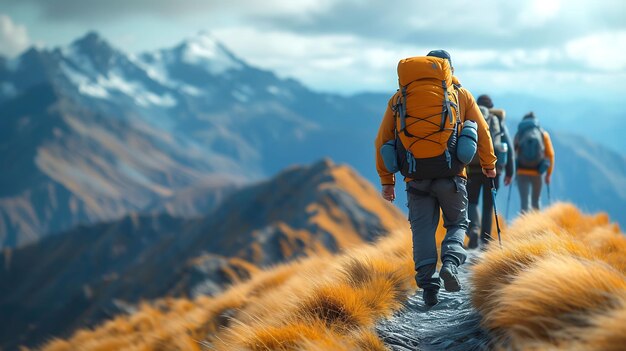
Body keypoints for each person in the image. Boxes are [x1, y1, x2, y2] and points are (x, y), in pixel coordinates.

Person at [375, 50, 497, 306]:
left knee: (422, 231)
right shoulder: (460, 94)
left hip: (415, 177)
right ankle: (451, 264)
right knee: (457, 224)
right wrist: (489, 165)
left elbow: (383, 139)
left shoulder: (400, 98)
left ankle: (429, 286)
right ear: (448, 69)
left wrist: (387, 181)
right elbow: (483, 132)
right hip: (452, 175)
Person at [465, 95, 515, 249]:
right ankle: (485, 240)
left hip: (472, 169)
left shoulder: (470, 117)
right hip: (493, 170)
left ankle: (473, 229)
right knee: (488, 204)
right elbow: (509, 148)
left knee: (471, 202)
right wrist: (509, 171)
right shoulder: (497, 120)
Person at [514, 112, 555, 212]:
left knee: (524, 202)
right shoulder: (543, 134)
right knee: (536, 201)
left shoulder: (519, 133)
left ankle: (523, 226)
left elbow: (514, 152)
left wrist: (512, 171)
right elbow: (550, 155)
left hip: (521, 171)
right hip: (538, 170)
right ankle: (536, 225)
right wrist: (548, 174)